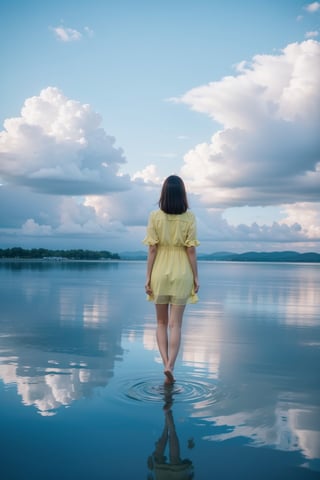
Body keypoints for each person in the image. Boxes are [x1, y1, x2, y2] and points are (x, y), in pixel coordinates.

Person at [143, 175, 200, 384]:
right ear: (182, 194)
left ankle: (164, 362)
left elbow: (152, 249)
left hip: (160, 271)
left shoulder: (154, 216)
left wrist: (148, 277)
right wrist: (195, 277)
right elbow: (191, 250)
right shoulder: (190, 217)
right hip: (182, 271)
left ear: (163, 194)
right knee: (176, 324)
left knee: (160, 322)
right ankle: (171, 366)